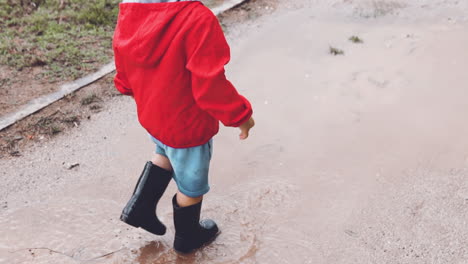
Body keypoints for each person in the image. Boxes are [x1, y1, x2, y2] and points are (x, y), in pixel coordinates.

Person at [112, 0, 255, 253]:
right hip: (187, 123)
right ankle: (188, 237)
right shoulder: (197, 19)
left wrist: (126, 84)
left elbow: (122, 52)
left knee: (164, 151)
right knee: (191, 182)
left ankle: (140, 207)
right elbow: (209, 84)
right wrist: (240, 115)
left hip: (153, 111)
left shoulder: (133, 7)